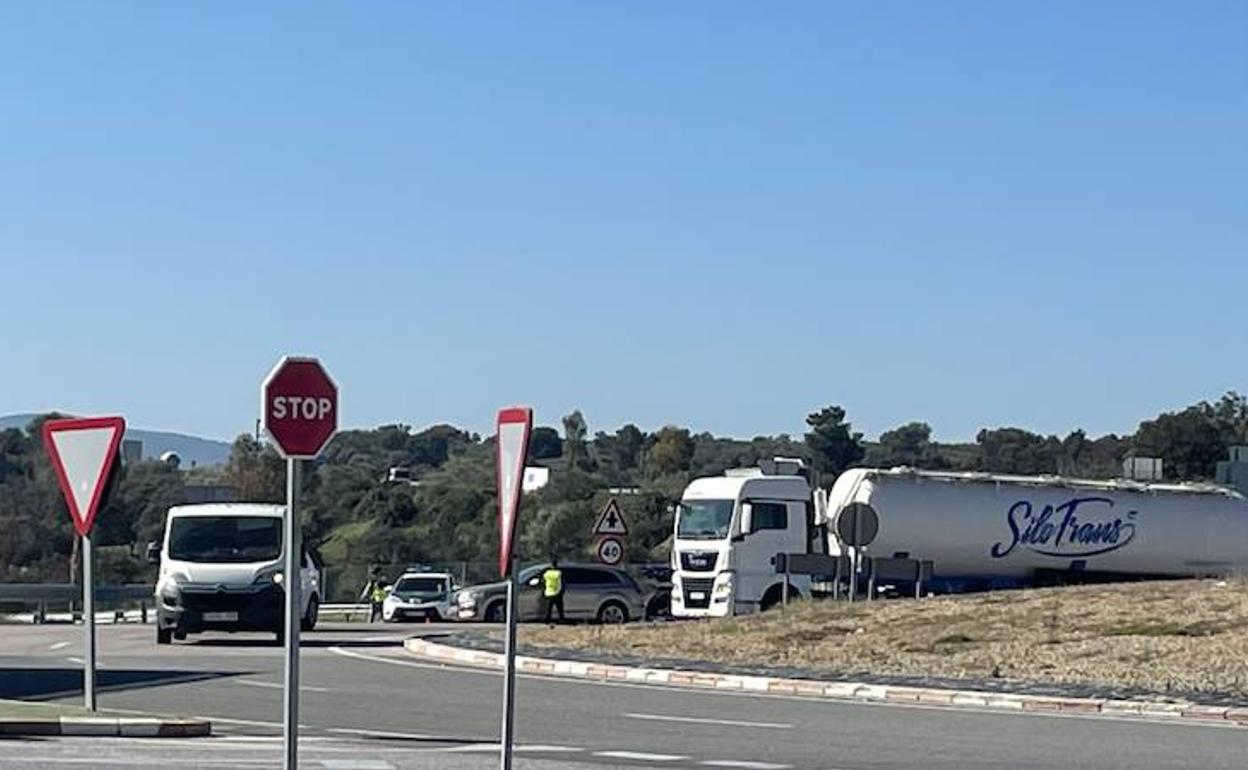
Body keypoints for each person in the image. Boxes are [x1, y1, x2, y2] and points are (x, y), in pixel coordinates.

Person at [541, 558, 564, 624]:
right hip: (557, 593)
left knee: (548, 609)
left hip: (548, 593)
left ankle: (547, 620)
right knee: (559, 609)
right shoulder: (558, 573)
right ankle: (561, 620)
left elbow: (543, 581)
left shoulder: (547, 573)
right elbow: (562, 582)